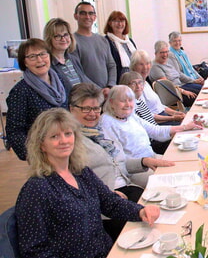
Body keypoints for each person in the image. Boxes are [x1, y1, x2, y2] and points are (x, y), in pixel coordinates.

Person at [15, 108, 160, 257]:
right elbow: (33, 250)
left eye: (68, 133)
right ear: (41, 145)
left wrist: (140, 211)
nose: (64, 141)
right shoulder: (36, 189)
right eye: (54, 136)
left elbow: (110, 202)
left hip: (107, 251)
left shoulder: (81, 172)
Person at [69, 83, 173, 241]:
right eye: (85, 109)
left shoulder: (100, 133)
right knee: (153, 228)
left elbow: (120, 164)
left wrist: (143, 161)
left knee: (165, 208)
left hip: (125, 189)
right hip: (106, 206)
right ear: (71, 109)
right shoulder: (70, 141)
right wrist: (102, 194)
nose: (92, 113)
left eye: (96, 108)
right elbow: (70, 183)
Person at [6, 38, 67, 160]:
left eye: (43, 54)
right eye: (32, 57)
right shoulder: (20, 91)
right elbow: (14, 131)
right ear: (25, 62)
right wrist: (33, 156)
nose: (40, 60)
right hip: (42, 154)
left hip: (66, 146)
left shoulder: (59, 80)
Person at [99, 85, 201, 158]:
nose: (127, 104)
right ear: (111, 102)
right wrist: (146, 162)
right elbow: (117, 157)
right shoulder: (107, 122)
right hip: (136, 168)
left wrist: (185, 127)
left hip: (151, 157)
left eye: (130, 100)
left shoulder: (130, 116)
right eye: (122, 101)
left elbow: (155, 130)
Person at [73, 1, 117, 96]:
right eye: (83, 13)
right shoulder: (72, 41)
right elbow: (78, 72)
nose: (87, 17)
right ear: (76, 16)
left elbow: (111, 65)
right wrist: (98, 90)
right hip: (87, 95)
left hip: (107, 93)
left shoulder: (103, 40)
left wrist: (110, 86)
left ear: (94, 17)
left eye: (90, 13)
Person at [130, 50, 186, 125]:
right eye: (141, 64)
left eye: (147, 64)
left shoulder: (146, 83)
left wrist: (176, 113)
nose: (145, 67)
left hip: (165, 117)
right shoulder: (135, 88)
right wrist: (173, 118)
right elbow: (148, 117)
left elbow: (160, 107)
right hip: (157, 124)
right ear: (133, 67)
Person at [43, 17, 95, 95]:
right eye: (57, 36)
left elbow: (84, 80)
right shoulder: (48, 65)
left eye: (66, 35)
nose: (63, 39)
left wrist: (101, 91)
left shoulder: (73, 59)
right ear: (49, 39)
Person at [150, 40, 198, 107]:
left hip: (181, 87)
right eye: (162, 52)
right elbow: (167, 86)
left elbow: (179, 74)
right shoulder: (155, 67)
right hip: (173, 94)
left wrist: (194, 81)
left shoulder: (168, 62)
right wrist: (184, 91)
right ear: (156, 53)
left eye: (166, 52)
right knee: (198, 97)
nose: (165, 55)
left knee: (202, 90)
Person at [104, 10, 137, 82]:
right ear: (110, 23)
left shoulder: (129, 41)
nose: (120, 24)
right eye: (116, 21)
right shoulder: (106, 41)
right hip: (118, 80)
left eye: (122, 21)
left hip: (134, 78)